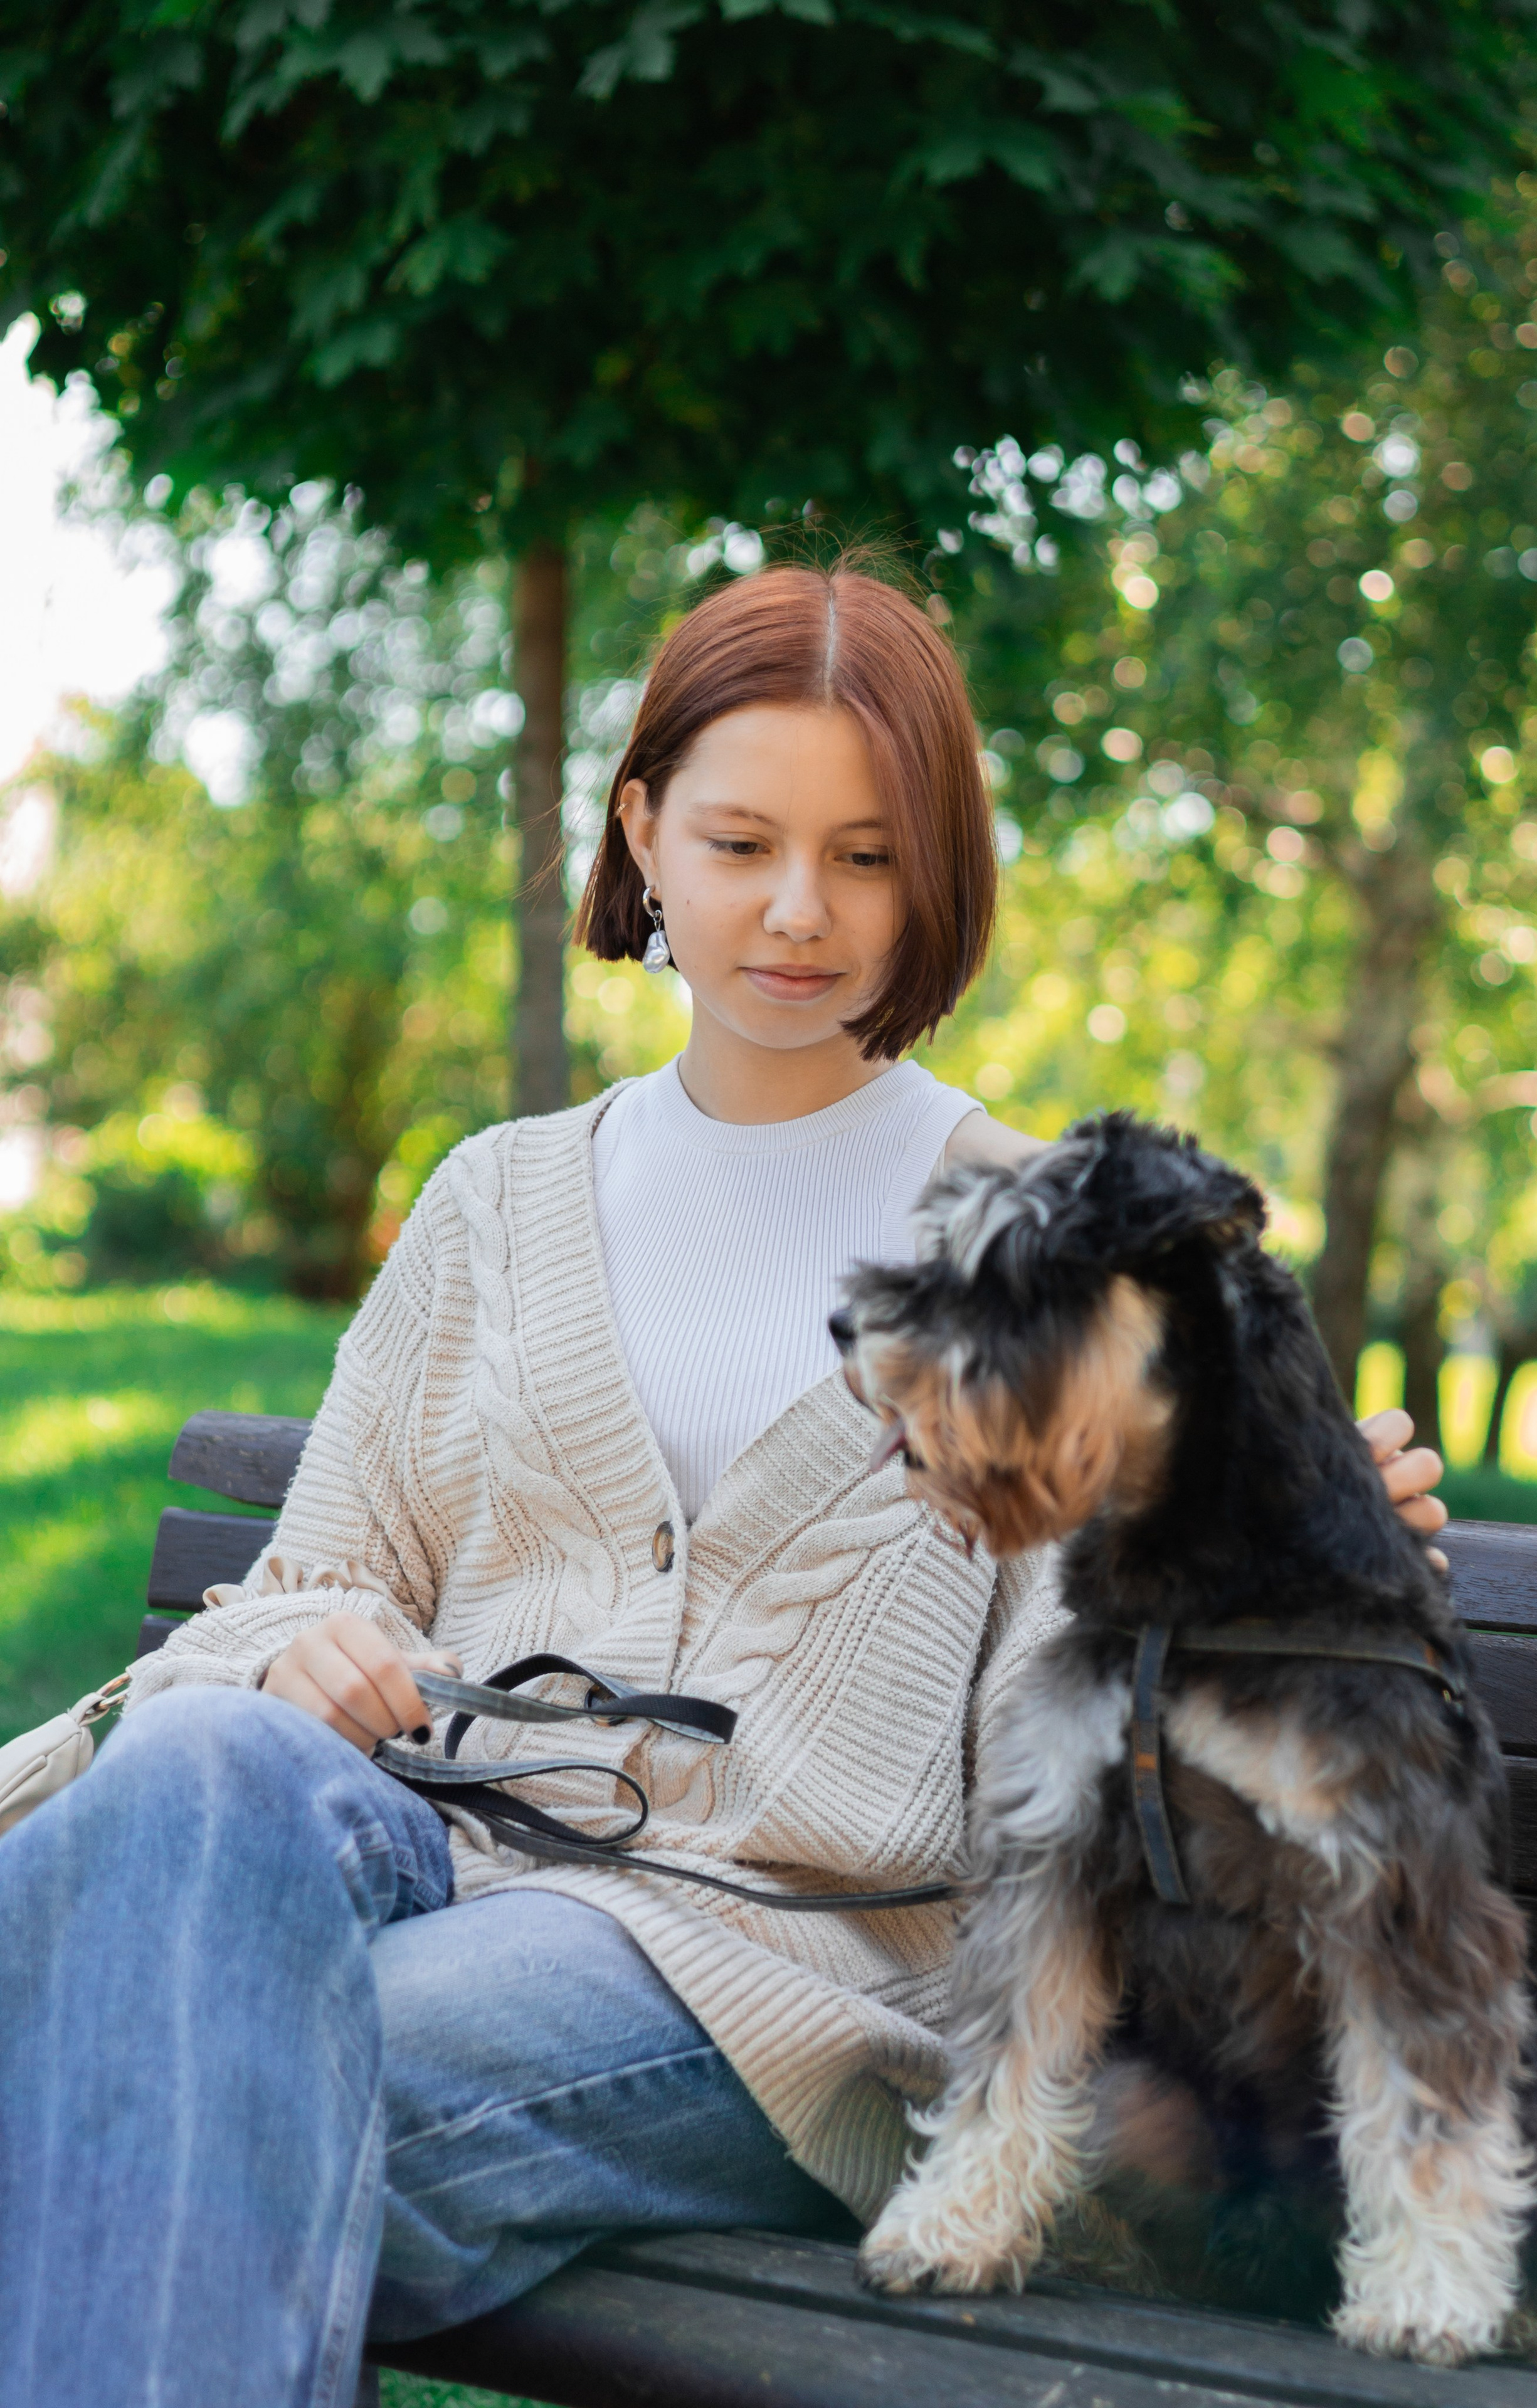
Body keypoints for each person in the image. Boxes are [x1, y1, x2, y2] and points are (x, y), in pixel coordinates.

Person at [0, 564, 1447, 2407]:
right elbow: (308, 1575)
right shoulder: (491, 1204)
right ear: (641, 831)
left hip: (781, 1988)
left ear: (937, 871)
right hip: (430, 1849)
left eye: (864, 856)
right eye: (743, 839)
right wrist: (307, 1649)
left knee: (147, 2064)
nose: (795, 911)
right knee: (201, 1796)